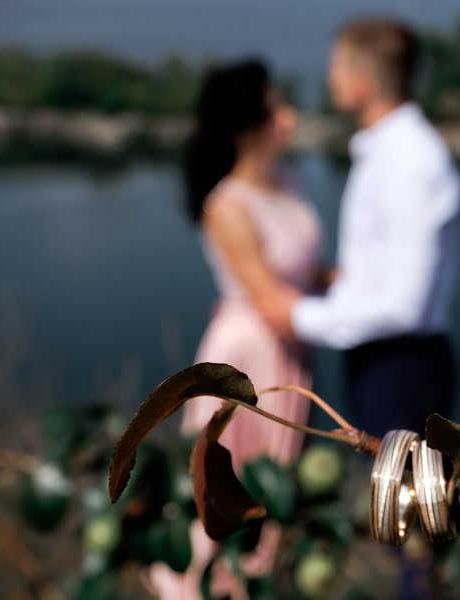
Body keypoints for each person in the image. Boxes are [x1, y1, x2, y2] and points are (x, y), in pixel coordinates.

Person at [149, 59, 322, 600]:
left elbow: (311, 275)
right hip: (247, 354)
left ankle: (252, 579)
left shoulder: (285, 182)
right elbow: (269, 299)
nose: (290, 118)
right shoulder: (226, 205)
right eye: (278, 108)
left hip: (289, 345)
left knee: (270, 487)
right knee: (231, 482)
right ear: (248, 125)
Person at [267, 18, 460, 438]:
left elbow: (403, 306)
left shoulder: (410, 160)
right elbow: (386, 268)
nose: (328, 77)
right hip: (385, 356)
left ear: (362, 83)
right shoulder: (387, 151)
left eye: (336, 67)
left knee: (402, 497)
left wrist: (296, 316)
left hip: (402, 366)